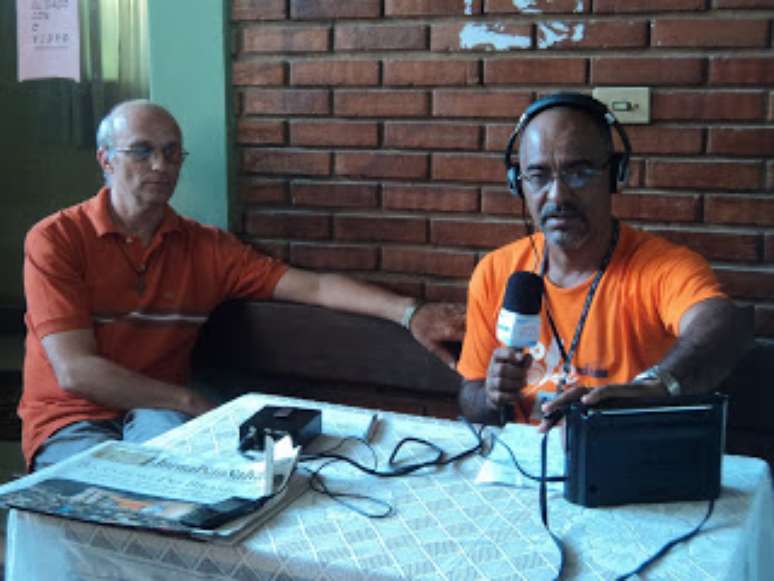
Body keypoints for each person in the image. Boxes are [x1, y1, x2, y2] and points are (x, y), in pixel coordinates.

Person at [21, 100, 465, 471]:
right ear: (106, 159)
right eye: (142, 151)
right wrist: (191, 400)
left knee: (195, 493)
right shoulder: (57, 239)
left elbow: (314, 289)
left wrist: (409, 312)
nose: (160, 165)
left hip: (156, 414)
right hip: (71, 419)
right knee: (99, 507)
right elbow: (75, 371)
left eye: (172, 152)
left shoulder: (205, 247)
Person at [457, 92, 752, 429]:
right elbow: (470, 396)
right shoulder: (496, 271)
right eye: (538, 176)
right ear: (516, 183)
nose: (557, 195)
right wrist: (492, 395)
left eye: (578, 172)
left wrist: (657, 385)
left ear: (615, 175)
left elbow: (727, 327)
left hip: (624, 460)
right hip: (523, 467)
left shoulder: (662, 266)